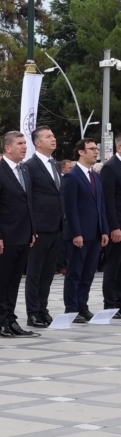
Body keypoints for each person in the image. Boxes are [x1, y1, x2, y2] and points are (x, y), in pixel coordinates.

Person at [0, 131, 35, 337]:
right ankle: (2, 321)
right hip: (5, 236)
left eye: (25, 143)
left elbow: (28, 203)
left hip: (23, 234)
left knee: (14, 280)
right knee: (2, 280)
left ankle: (12, 319)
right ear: (7, 148)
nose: (24, 147)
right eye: (20, 143)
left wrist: (32, 230)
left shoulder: (23, 169)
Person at [63, 138, 109, 323]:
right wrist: (76, 233)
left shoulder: (95, 176)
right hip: (79, 234)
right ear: (81, 152)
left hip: (95, 233)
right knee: (75, 273)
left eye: (96, 149)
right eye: (91, 149)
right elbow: (70, 208)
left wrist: (104, 230)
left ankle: (83, 306)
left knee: (88, 273)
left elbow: (101, 205)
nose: (96, 151)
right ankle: (71, 309)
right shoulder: (72, 176)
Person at [23, 126, 63, 328]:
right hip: (39, 227)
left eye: (53, 135)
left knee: (48, 272)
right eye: (49, 136)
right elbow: (29, 197)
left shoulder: (55, 164)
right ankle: (32, 312)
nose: (53, 139)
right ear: (38, 142)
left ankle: (43, 309)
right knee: (35, 271)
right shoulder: (30, 166)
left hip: (56, 226)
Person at [100, 133, 121, 319]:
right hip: (118, 225)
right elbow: (108, 200)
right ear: (119, 147)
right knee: (113, 265)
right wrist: (113, 226)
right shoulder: (110, 167)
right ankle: (111, 304)